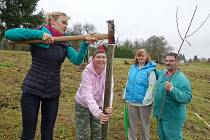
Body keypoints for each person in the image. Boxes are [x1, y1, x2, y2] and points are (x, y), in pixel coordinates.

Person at [4, 11, 96, 140]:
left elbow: (77, 60)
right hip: (31, 90)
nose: (66, 26)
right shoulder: (39, 32)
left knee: (47, 134)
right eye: (63, 22)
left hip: (52, 92)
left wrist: (85, 44)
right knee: (28, 133)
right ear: (52, 21)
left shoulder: (64, 42)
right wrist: (40, 34)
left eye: (67, 24)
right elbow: (9, 34)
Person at [74, 44, 114, 140]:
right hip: (83, 105)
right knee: (84, 134)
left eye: (103, 57)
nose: (101, 59)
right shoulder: (86, 72)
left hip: (99, 105)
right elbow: (87, 95)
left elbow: (109, 92)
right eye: (98, 57)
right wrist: (98, 113)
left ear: (107, 59)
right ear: (93, 59)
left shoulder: (108, 72)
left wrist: (108, 106)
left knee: (98, 133)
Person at [153, 52, 192, 140]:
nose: (167, 63)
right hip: (160, 114)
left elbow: (187, 97)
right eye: (166, 60)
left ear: (177, 62)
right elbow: (157, 73)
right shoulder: (163, 73)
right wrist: (149, 66)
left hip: (172, 118)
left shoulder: (181, 79)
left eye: (171, 61)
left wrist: (172, 89)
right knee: (162, 137)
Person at [123, 49, 157, 140]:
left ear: (146, 57)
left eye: (143, 56)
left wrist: (146, 100)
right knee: (131, 124)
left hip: (144, 104)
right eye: (139, 56)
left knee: (144, 125)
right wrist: (125, 95)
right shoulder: (132, 68)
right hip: (131, 102)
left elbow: (152, 86)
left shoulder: (151, 70)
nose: (141, 57)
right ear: (136, 57)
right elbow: (128, 82)